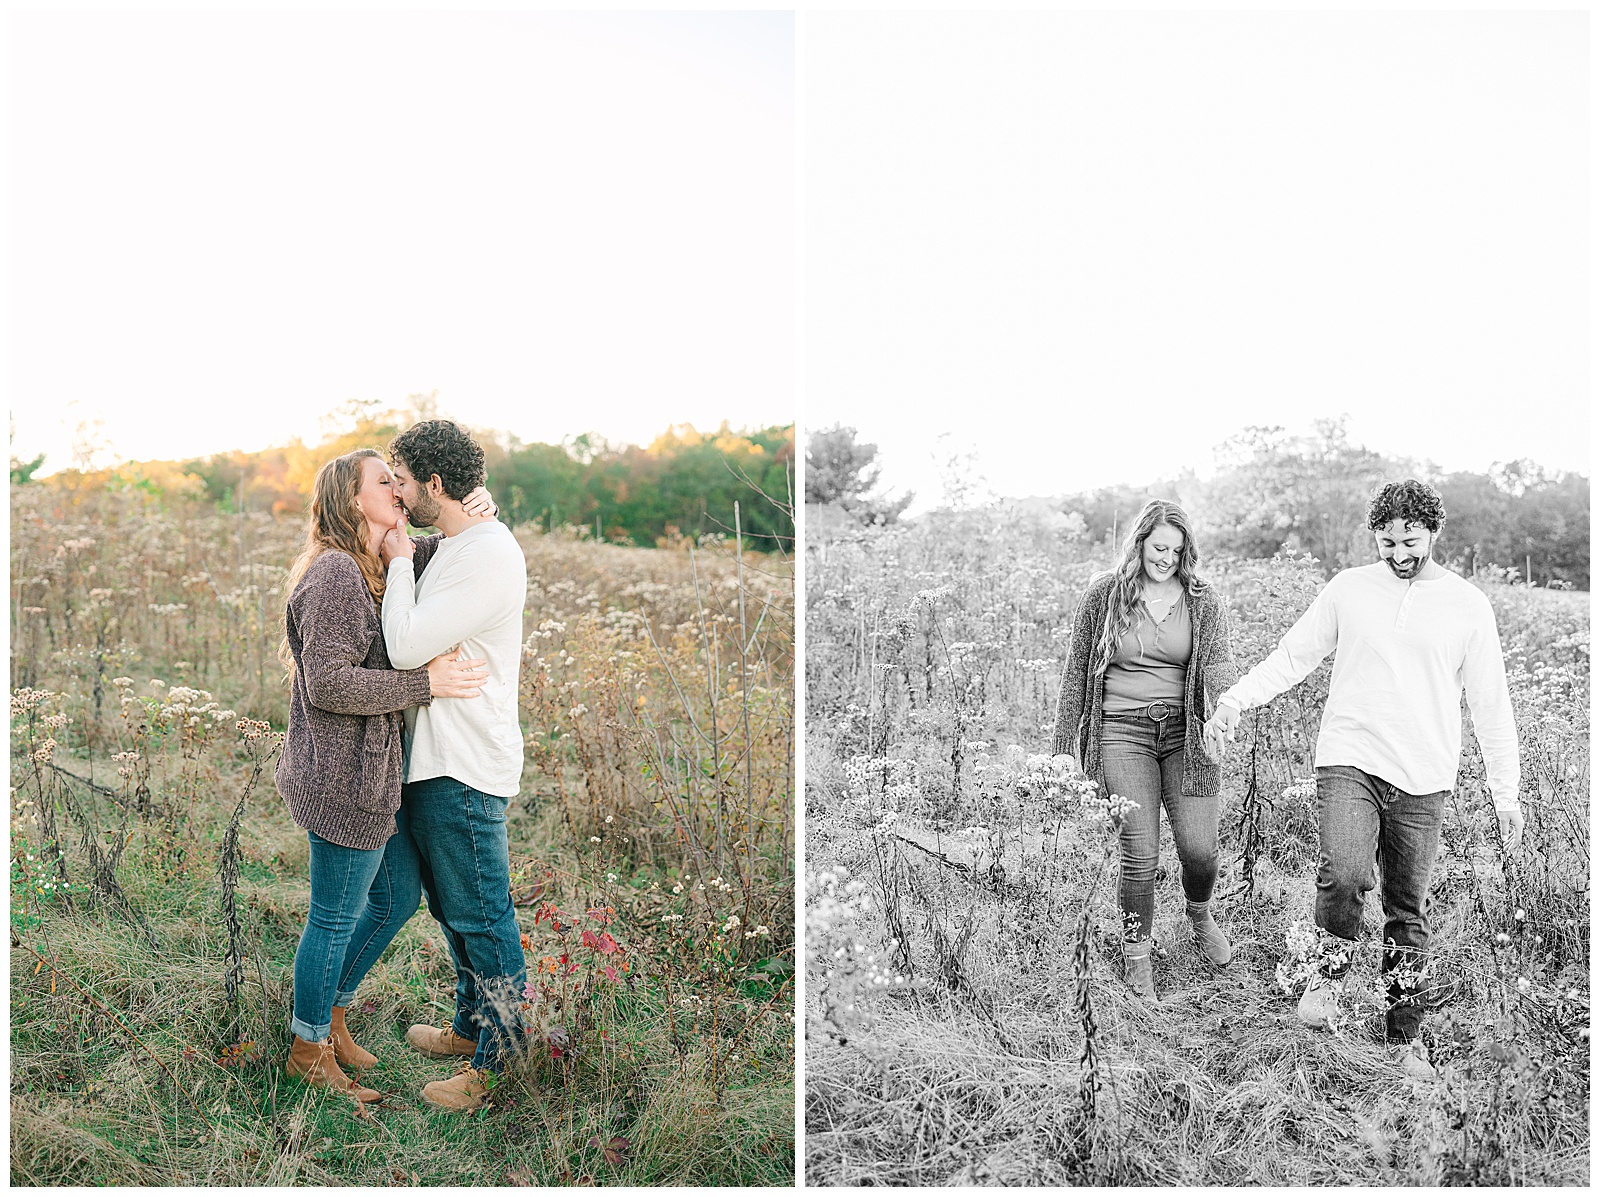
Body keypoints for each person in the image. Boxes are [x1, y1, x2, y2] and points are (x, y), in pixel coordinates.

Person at [1203, 478, 1523, 1081]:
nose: (1399, 553)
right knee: (1345, 875)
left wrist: (1506, 794)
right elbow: (1293, 654)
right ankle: (1323, 988)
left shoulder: (1467, 605)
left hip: (1425, 775)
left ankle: (1404, 1037)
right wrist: (1233, 701)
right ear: (1373, 536)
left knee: (1407, 909)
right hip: (1350, 756)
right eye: (1387, 541)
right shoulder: (1349, 589)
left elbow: (1491, 703)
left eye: (1411, 540)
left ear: (1434, 532)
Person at [273, 448, 492, 1103]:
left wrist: (481, 511)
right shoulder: (337, 572)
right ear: (351, 499)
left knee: (394, 898)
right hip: (342, 780)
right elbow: (329, 683)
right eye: (383, 483)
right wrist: (425, 683)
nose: (398, 491)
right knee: (333, 918)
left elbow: (444, 543)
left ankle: (332, 1018)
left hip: (374, 779)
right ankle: (308, 1048)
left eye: (399, 482)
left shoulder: (378, 562)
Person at [372, 419, 530, 1113]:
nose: (398, 497)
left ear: (436, 484)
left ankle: (504, 1059)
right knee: (453, 909)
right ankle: (471, 1029)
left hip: (464, 761)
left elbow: (406, 645)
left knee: (482, 911)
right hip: (438, 756)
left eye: (404, 482)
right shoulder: (466, 542)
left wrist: (401, 558)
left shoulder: (489, 555)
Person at [1052, 499, 1241, 1001]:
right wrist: (1063, 743)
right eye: (1160, 547)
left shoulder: (1203, 600)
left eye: (1177, 551)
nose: (1167, 559)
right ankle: (1138, 956)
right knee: (1138, 851)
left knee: (1200, 850)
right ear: (1139, 543)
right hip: (1120, 731)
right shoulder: (1105, 594)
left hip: (1185, 734)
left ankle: (1199, 915)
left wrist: (1223, 710)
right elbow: (1077, 672)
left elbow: (1219, 665)